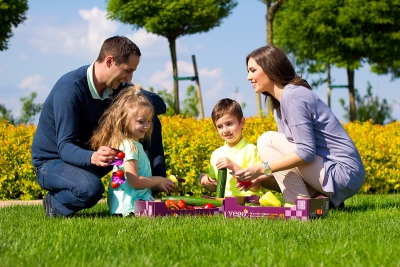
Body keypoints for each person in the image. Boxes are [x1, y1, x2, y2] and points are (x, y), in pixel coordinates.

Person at [31, 36, 166, 218]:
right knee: (90, 189)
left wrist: (134, 92)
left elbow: (160, 106)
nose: (129, 77)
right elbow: (65, 147)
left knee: (146, 118)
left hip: (91, 155)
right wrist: (93, 157)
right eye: (127, 71)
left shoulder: (117, 87)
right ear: (110, 61)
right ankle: (54, 203)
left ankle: (156, 196)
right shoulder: (70, 90)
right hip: (53, 162)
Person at [233, 45, 365, 208]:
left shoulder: (292, 95)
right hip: (332, 171)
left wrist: (262, 168)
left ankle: (300, 205)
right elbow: (294, 155)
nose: (248, 77)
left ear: (270, 67)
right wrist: (263, 176)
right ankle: (318, 202)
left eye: (253, 70)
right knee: (266, 175)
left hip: (343, 172)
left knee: (266, 140)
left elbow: (306, 153)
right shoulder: (279, 104)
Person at [90, 84, 175, 216]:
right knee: (169, 210)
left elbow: (122, 181)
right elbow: (134, 181)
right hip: (131, 205)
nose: (146, 126)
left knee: (168, 208)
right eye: (141, 122)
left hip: (126, 202)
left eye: (148, 121)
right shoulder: (129, 146)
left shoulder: (126, 144)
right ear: (124, 121)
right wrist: (158, 180)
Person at [199, 98, 263, 197]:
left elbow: (256, 186)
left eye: (229, 124)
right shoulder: (216, 154)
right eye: (220, 127)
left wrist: (233, 166)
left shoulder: (251, 150)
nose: (225, 130)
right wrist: (204, 180)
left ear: (242, 122)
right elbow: (215, 187)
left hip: (248, 203)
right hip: (225, 204)